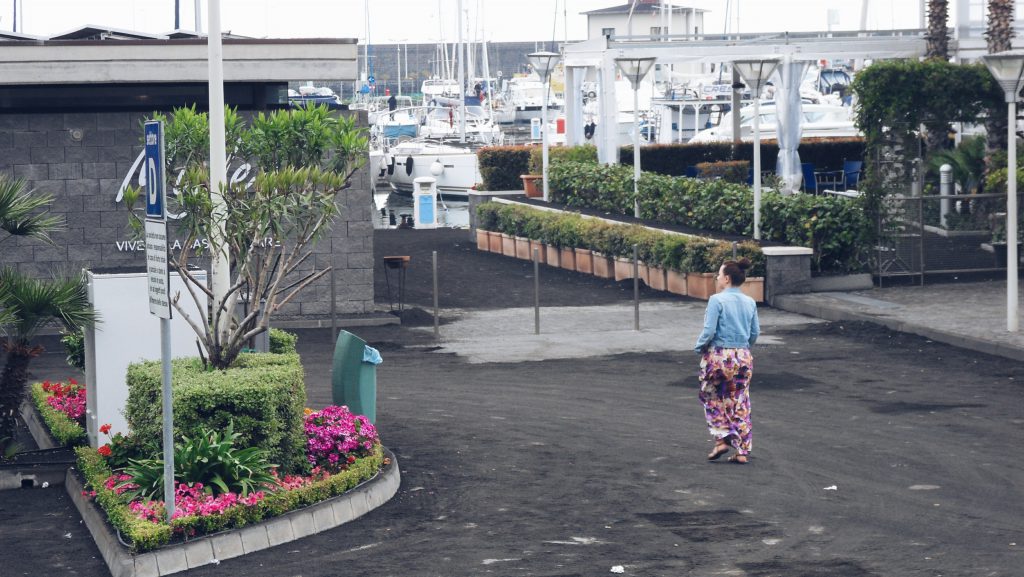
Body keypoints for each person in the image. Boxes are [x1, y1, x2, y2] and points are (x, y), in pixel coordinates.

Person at [693, 258, 760, 464]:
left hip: (719, 355)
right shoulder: (750, 302)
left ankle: (721, 439)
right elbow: (754, 333)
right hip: (743, 355)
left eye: (720, 274)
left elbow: (709, 330)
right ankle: (742, 451)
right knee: (740, 400)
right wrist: (743, 346)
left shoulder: (717, 300)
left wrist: (699, 346)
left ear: (727, 278)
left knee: (711, 395)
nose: (718, 277)